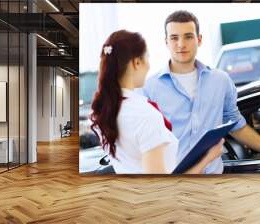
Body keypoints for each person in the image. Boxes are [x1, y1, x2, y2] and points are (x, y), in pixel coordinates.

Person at [142, 10, 260, 174]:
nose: (181, 44)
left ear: (199, 40)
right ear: (166, 41)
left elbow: (236, 124)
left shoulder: (220, 81)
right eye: (174, 38)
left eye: (188, 36)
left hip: (213, 178)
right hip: (174, 180)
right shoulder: (149, 88)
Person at [90, 30, 223, 174]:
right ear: (137, 62)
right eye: (147, 58)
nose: (149, 65)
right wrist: (208, 158)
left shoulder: (105, 111)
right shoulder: (144, 115)